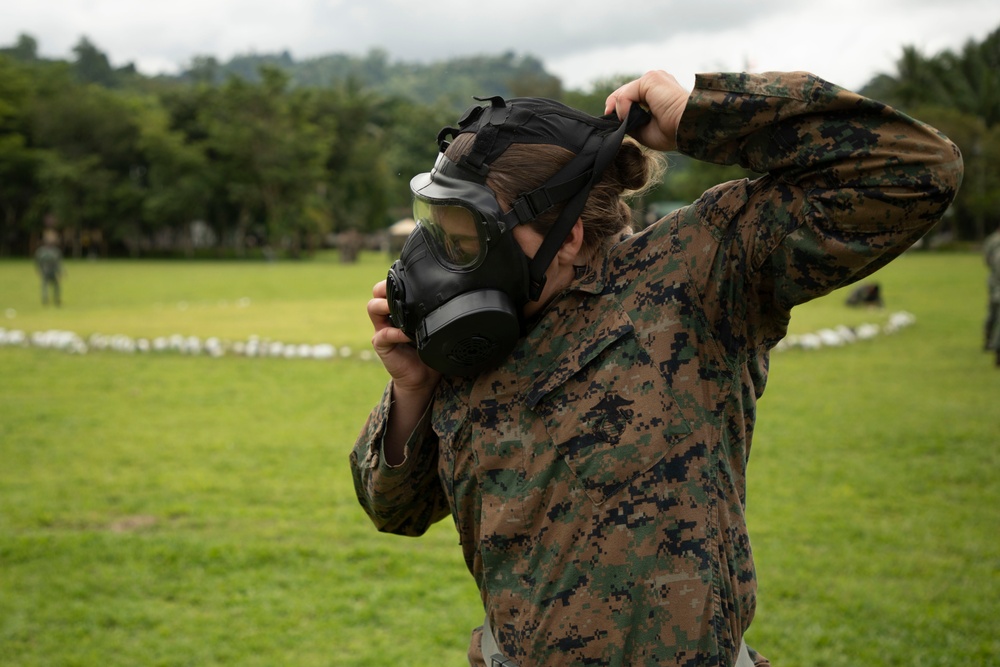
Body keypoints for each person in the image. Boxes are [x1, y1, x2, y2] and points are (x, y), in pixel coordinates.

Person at [350, 69, 963, 667]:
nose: (443, 266)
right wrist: (412, 389)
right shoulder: (474, 335)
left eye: (467, 242)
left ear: (565, 237)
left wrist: (701, 115)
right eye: (441, 234)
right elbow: (395, 511)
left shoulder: (696, 274)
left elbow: (918, 169)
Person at [984, 227, 1000, 364]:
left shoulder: (992, 240)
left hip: (994, 284)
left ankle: (989, 341)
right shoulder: (994, 241)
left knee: (993, 315)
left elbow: (987, 260)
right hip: (996, 285)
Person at [35, 229, 63, 307]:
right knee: (53, 286)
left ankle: (46, 300)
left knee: (46, 285)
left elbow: (38, 262)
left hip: (45, 270)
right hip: (51, 271)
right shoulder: (55, 252)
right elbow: (58, 263)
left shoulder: (41, 251)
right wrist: (60, 272)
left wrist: (39, 269)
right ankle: (55, 300)